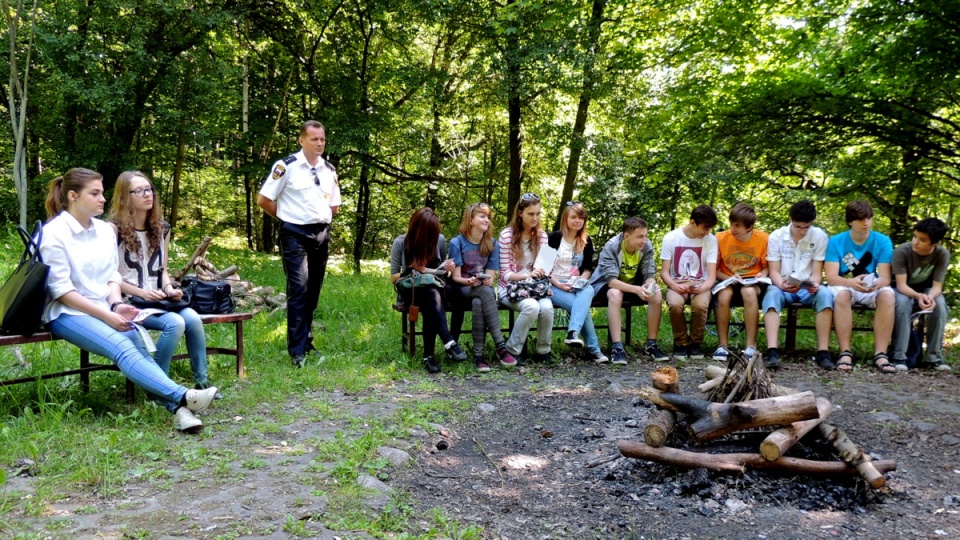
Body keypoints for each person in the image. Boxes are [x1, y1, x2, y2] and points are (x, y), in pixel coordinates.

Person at [40, 168, 219, 432]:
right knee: (122, 347)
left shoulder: (102, 231)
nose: (103, 198)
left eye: (102, 192)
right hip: (67, 313)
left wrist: (115, 305)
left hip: (103, 307)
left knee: (137, 345)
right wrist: (106, 315)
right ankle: (184, 396)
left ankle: (181, 412)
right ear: (73, 196)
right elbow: (62, 291)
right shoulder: (53, 234)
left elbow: (112, 276)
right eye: (95, 193)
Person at [109, 171, 220, 398]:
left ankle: (201, 381)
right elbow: (109, 277)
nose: (147, 195)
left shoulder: (162, 228)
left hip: (158, 299)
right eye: (138, 191)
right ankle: (159, 385)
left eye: (149, 189)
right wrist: (143, 293)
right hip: (130, 302)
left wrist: (169, 288)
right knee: (175, 323)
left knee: (193, 319)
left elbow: (163, 271)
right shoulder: (113, 230)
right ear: (124, 197)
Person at [257, 120, 342, 368]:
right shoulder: (286, 166)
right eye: (314, 139)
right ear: (302, 140)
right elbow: (264, 200)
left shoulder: (329, 170)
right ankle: (296, 352)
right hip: (294, 233)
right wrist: (287, 218)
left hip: (320, 234)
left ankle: (306, 341)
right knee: (299, 289)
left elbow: (334, 206)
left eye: (322, 139)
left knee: (313, 291)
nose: (319, 143)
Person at [390, 208, 468, 373]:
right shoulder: (401, 242)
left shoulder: (439, 240)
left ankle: (435, 352)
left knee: (440, 294)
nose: (431, 237)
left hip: (435, 289)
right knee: (430, 294)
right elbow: (394, 277)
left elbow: (441, 273)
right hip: (410, 289)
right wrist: (415, 272)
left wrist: (444, 268)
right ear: (418, 231)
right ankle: (446, 343)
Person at [825, 200, 895, 373]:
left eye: (869, 218)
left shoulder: (883, 241)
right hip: (844, 284)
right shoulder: (835, 241)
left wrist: (875, 284)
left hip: (871, 285)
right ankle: (845, 352)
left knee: (888, 295)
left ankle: (881, 354)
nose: (866, 223)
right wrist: (850, 283)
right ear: (850, 221)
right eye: (861, 220)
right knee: (842, 295)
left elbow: (885, 277)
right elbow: (832, 277)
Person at [762, 200, 834, 370]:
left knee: (825, 294)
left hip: (806, 287)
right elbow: (774, 271)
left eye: (806, 227)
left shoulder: (819, 236)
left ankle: (823, 351)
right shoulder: (776, 236)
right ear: (791, 220)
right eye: (798, 227)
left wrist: (815, 284)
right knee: (771, 294)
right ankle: (772, 350)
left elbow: (817, 271)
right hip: (782, 286)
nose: (802, 231)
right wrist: (781, 284)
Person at [449, 203, 518, 372]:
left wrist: (486, 280)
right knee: (485, 292)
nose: (487, 220)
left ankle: (479, 356)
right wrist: (470, 281)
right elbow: (456, 277)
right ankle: (501, 347)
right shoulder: (457, 242)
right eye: (482, 216)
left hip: (480, 290)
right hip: (461, 289)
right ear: (470, 220)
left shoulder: (492, 244)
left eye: (488, 217)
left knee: (480, 301)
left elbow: (490, 277)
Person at [589, 216, 666, 365]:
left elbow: (649, 275)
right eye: (640, 237)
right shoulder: (611, 246)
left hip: (634, 286)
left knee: (656, 294)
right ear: (626, 236)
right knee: (615, 293)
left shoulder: (647, 247)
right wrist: (637, 289)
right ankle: (617, 347)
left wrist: (650, 285)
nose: (644, 240)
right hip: (605, 286)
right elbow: (611, 281)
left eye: (645, 236)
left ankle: (651, 344)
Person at [547, 202, 608, 364]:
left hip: (575, 284)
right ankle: (594, 349)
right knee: (581, 307)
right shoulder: (553, 238)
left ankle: (573, 332)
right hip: (554, 284)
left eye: (581, 217)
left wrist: (581, 280)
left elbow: (587, 268)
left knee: (588, 291)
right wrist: (559, 285)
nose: (577, 220)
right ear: (565, 218)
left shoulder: (586, 240)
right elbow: (545, 269)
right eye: (573, 217)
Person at [498, 193, 554, 365]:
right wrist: (527, 275)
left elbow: (545, 268)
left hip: (534, 288)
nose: (535, 218)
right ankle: (512, 350)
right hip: (510, 288)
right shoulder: (506, 236)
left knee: (547, 307)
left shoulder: (542, 236)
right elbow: (504, 274)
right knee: (531, 306)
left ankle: (543, 350)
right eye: (531, 214)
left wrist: (541, 270)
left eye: (538, 213)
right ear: (520, 213)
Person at [890, 218, 952, 372]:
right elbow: (901, 285)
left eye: (922, 240)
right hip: (902, 289)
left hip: (927, 289)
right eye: (915, 236)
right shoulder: (902, 251)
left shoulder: (942, 254)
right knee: (903, 303)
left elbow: (937, 286)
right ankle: (899, 356)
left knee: (940, 306)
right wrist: (918, 296)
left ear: (935, 243)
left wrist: (930, 297)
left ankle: (933, 358)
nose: (916, 242)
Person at [660, 205, 719, 360]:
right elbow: (664, 272)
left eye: (710, 229)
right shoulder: (671, 238)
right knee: (674, 303)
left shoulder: (711, 240)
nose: (707, 232)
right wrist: (674, 286)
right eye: (705, 228)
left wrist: (701, 288)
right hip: (676, 282)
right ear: (693, 222)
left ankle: (695, 343)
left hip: (701, 283)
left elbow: (712, 276)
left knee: (700, 305)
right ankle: (681, 343)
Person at [712, 203, 769, 362]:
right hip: (727, 279)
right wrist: (729, 278)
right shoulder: (720, 238)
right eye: (732, 224)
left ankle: (751, 346)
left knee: (749, 292)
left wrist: (760, 275)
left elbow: (767, 268)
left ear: (750, 227)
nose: (733, 229)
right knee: (723, 296)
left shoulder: (763, 239)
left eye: (737, 225)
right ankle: (723, 345)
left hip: (752, 282)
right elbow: (714, 270)